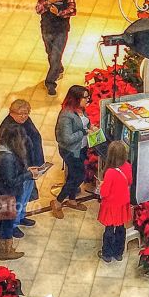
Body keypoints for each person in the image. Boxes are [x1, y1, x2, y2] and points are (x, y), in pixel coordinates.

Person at [0, 99, 45, 233]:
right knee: (18, 198)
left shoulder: (24, 121)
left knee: (26, 195)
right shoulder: (8, 128)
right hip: (19, 170)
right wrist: (25, 168)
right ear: (12, 113)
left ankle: (21, 216)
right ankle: (13, 225)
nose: (24, 116)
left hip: (30, 166)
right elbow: (12, 151)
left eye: (27, 113)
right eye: (21, 113)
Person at [0, 123, 30, 260]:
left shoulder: (0, 151)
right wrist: (29, 175)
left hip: (0, 191)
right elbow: (11, 181)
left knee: (1, 219)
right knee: (8, 222)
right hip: (9, 194)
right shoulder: (8, 157)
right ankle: (6, 251)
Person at [36, 0, 76, 96]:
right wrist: (49, 1)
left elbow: (72, 10)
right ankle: (59, 68)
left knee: (55, 56)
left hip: (61, 30)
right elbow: (38, 9)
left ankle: (50, 83)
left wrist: (58, 12)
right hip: (47, 29)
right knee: (50, 53)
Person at [53, 85, 90, 217]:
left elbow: (84, 124)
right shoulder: (66, 115)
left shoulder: (81, 110)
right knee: (78, 176)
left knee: (73, 175)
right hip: (70, 150)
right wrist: (84, 132)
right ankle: (58, 201)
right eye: (85, 98)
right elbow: (67, 138)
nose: (87, 100)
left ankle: (72, 200)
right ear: (76, 98)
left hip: (81, 147)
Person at [97, 139, 133, 262]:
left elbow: (104, 192)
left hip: (111, 205)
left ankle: (107, 253)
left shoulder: (110, 172)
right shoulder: (128, 166)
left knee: (109, 229)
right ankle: (118, 252)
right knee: (121, 228)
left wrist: (100, 186)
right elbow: (129, 181)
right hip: (123, 204)